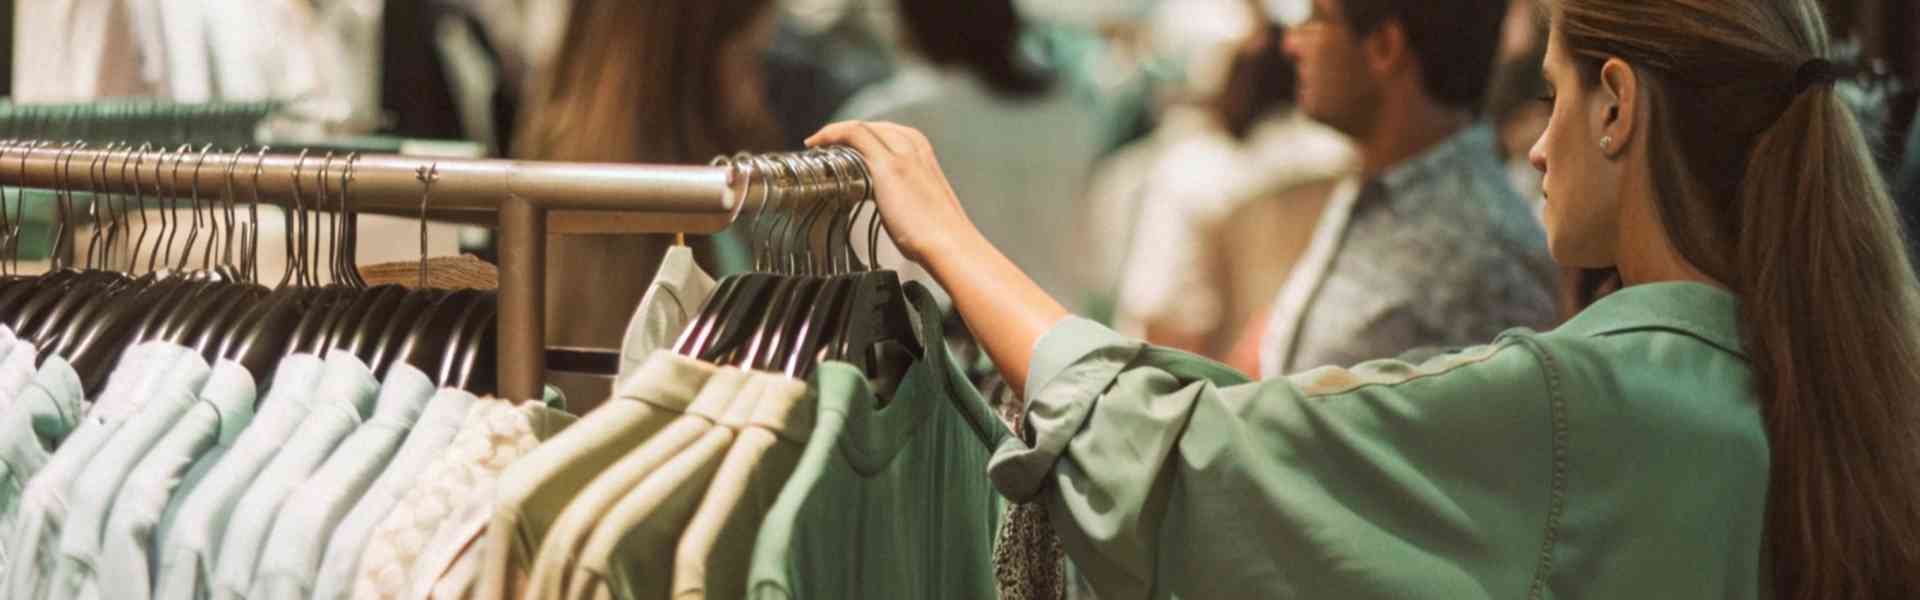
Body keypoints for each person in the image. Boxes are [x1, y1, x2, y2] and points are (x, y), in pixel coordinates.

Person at [805, 0, 1920, 596]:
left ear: (1617, 106)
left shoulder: (1579, 402)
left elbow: (1195, 460)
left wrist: (948, 240)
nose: (1535, 145)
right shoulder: (1830, 386)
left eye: (1551, 99)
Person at [1248, 0, 1557, 377]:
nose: (1291, 44)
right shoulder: (1379, 180)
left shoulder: (1487, 249)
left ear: (1384, 46)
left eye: (1317, 18)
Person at [513, 0, 782, 404]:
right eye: (745, 51)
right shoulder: (632, 226)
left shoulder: (567, 166)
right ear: (697, 49)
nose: (756, 83)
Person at [833, 0, 1103, 310]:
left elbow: (861, 258)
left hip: (943, 343)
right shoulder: (1070, 112)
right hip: (1057, 336)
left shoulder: (884, 119)